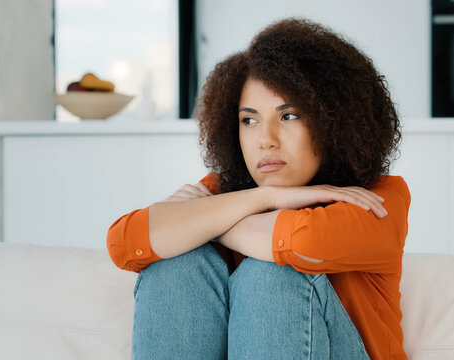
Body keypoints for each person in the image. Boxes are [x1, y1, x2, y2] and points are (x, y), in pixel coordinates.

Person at [107, 17, 410, 360]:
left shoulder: (378, 198)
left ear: (333, 121)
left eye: (289, 116)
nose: (266, 140)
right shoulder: (230, 189)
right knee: (173, 264)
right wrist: (267, 197)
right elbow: (125, 241)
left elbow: (301, 241)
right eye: (249, 120)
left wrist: (204, 225)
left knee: (270, 272)